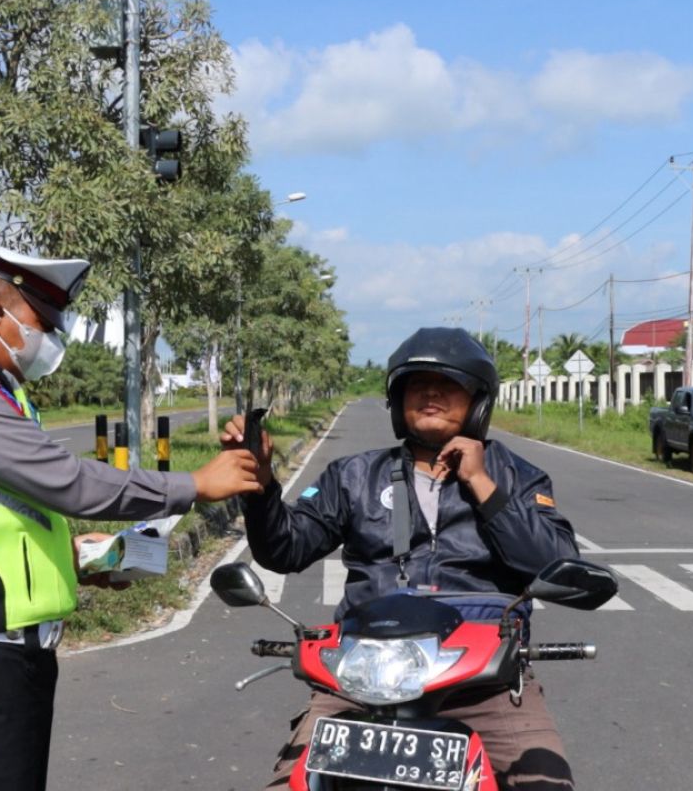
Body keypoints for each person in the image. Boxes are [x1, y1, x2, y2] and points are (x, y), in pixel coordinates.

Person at [0, 231, 263, 790]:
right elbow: (70, 483)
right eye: (43, 322)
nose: (53, 338)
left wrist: (79, 560)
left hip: (5, 657)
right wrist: (193, 484)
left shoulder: (0, 389)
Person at [221, 327, 581, 791]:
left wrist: (483, 485)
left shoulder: (518, 477)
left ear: (478, 401)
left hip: (485, 685)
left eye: (448, 383)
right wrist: (262, 484)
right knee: (291, 784)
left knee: (546, 784)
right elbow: (284, 549)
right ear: (397, 401)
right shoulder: (353, 476)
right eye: (417, 384)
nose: (430, 392)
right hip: (361, 682)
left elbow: (554, 563)